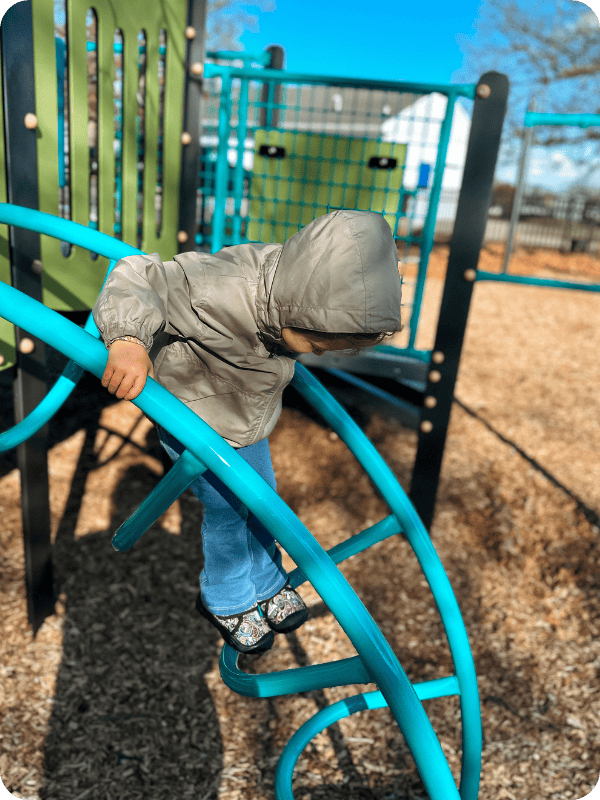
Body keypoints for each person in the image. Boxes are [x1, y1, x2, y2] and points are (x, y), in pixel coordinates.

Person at [93, 210, 403, 654]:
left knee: (263, 499)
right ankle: (225, 599)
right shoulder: (216, 289)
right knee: (227, 509)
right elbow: (136, 272)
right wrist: (127, 339)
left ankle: (267, 581)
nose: (316, 355)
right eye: (316, 345)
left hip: (241, 416)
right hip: (194, 416)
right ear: (297, 308)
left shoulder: (298, 287)